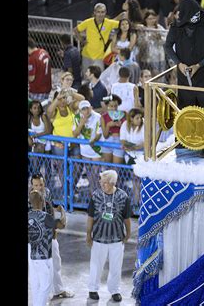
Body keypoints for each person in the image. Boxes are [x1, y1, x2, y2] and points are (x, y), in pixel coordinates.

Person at [164, 0, 204, 158]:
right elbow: (167, 46)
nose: (180, 13)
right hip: (185, 75)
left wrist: (199, 65)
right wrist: (179, 64)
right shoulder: (176, 26)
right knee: (186, 108)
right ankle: (185, 142)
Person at [86, 170, 132, 302]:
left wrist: (128, 233)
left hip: (117, 239)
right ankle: (93, 289)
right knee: (95, 264)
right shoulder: (95, 195)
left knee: (116, 266)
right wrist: (88, 234)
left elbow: (127, 217)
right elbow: (90, 216)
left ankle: (115, 290)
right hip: (99, 238)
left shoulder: (123, 197)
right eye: (101, 181)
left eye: (105, 182)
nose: (102, 184)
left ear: (112, 183)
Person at [28, 174, 74, 300]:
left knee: (55, 262)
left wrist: (54, 232)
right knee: (37, 272)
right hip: (34, 241)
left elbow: (50, 211)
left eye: (41, 184)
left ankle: (58, 290)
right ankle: (41, 298)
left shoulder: (47, 192)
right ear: (31, 185)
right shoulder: (30, 198)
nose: (39, 187)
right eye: (36, 185)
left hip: (50, 237)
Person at [28, 190, 66, 306]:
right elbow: (62, 225)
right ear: (42, 201)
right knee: (46, 286)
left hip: (33, 258)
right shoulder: (46, 217)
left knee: (36, 286)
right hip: (44, 258)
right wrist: (63, 212)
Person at [74, 3, 120, 77]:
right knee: (86, 78)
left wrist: (123, 14)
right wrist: (81, 39)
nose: (100, 14)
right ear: (94, 12)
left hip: (99, 56)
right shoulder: (88, 22)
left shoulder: (109, 23)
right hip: (87, 55)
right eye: (98, 12)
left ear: (105, 13)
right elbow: (76, 30)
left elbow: (124, 24)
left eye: (102, 12)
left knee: (99, 78)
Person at [100, 94, 126, 163]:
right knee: (107, 167)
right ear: (107, 106)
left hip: (119, 141)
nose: (114, 108)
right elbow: (105, 136)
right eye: (111, 106)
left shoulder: (123, 114)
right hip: (107, 142)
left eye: (116, 106)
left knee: (117, 168)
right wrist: (108, 125)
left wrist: (121, 126)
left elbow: (126, 132)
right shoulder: (103, 117)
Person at [28, 37, 52, 101]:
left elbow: (31, 78)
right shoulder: (44, 52)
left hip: (37, 90)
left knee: (35, 109)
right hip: (47, 88)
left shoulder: (32, 58)